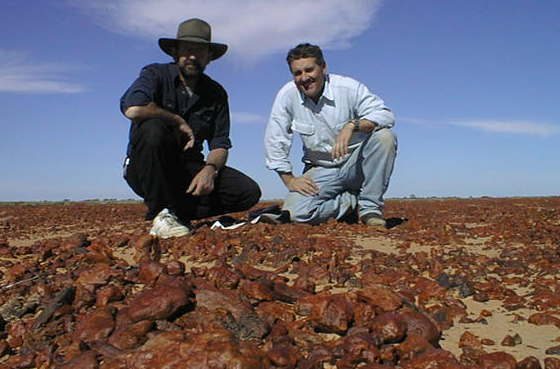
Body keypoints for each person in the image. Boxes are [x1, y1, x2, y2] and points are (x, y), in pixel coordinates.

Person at [121, 18, 261, 238]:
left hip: (187, 169)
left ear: (209, 57)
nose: (192, 56)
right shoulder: (155, 74)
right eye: (187, 50)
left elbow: (220, 143)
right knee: (154, 127)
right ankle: (159, 213)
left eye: (200, 51)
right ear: (175, 53)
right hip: (147, 166)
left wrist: (209, 170)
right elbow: (133, 108)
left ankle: (175, 212)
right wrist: (175, 120)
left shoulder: (216, 93)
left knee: (247, 192)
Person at [264, 43, 397, 227]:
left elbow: (385, 115)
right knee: (296, 214)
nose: (304, 78)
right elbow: (275, 138)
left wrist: (353, 125)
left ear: (323, 67)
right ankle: (350, 202)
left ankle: (370, 209)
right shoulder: (287, 95)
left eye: (309, 70)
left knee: (385, 137)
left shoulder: (348, 88)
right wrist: (289, 180)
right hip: (321, 168)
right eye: (297, 73)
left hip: (356, 163)